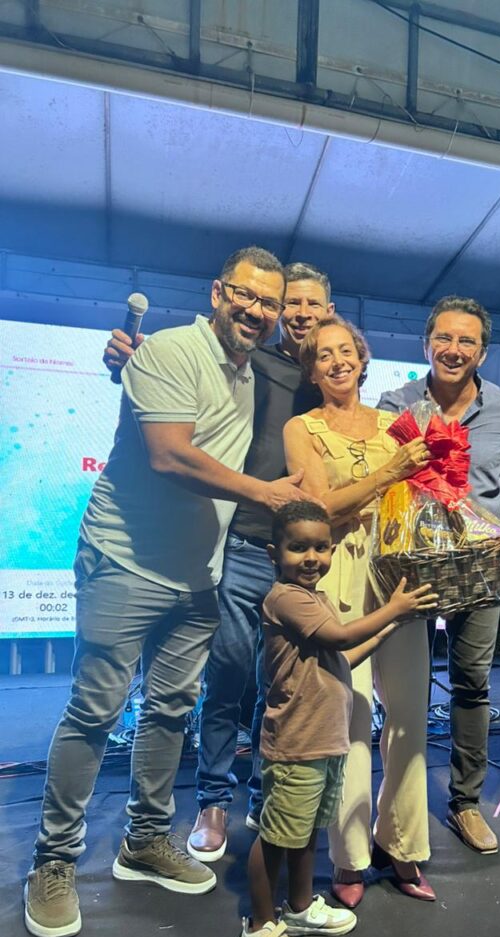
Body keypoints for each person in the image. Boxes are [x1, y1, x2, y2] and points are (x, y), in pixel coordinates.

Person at [24, 247, 307, 937]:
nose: (257, 311)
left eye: (269, 303)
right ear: (218, 292)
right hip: (124, 561)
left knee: (172, 710)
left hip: (197, 576)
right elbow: (170, 454)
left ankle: (145, 840)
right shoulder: (172, 350)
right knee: (95, 711)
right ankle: (53, 862)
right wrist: (265, 494)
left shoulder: (250, 373)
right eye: (246, 295)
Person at [104, 263, 334, 863]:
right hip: (241, 542)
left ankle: (267, 792)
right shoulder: (251, 358)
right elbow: (183, 381)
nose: (301, 314)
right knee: (227, 678)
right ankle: (212, 800)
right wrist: (130, 358)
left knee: (284, 686)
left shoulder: (333, 377)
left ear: (330, 313)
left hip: (306, 561)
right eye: (292, 303)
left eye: (312, 304)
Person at [239, 501, 437, 937]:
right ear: (273, 553)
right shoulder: (287, 598)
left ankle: (300, 907)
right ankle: (260, 927)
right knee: (277, 837)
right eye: (298, 547)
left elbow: (340, 659)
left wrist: (388, 628)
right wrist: (394, 607)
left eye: (321, 548)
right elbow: (341, 638)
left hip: (323, 740)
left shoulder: (316, 599)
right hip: (296, 743)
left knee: (306, 831)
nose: (312, 558)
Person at [283, 315, 438, 907]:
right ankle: (349, 858)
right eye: (323, 354)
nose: (337, 361)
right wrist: (390, 472)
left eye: (346, 350)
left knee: (410, 714)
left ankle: (403, 845)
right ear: (311, 369)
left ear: (362, 359)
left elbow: (418, 496)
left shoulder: (393, 424)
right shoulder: (302, 428)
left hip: (398, 568)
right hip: (339, 570)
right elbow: (318, 510)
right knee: (348, 715)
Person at [378, 296, 500, 856]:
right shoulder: (394, 405)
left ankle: (465, 801)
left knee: (472, 683)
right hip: (414, 565)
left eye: (467, 340)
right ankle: (402, 802)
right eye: (444, 338)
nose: (454, 349)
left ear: (482, 352)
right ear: (426, 345)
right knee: (407, 689)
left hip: (479, 567)